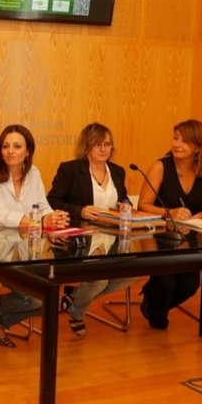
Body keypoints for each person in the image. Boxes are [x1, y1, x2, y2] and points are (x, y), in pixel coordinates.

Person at [0, 124, 69, 347]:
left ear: (27, 151)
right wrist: (38, 221)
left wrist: (52, 216)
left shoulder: (34, 173)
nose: (10, 151)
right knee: (37, 296)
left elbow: (43, 205)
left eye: (17, 146)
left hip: (25, 248)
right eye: (5, 146)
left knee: (48, 295)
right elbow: (1, 216)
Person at [46, 122, 138, 337]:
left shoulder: (117, 171)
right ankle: (77, 311)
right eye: (97, 144)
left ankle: (76, 297)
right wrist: (80, 211)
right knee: (99, 278)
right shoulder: (70, 169)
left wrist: (125, 205)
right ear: (87, 147)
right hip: (77, 239)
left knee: (134, 273)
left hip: (111, 237)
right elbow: (51, 200)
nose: (103, 149)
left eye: (107, 144)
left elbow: (123, 197)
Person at [137, 119, 202, 329]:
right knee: (166, 283)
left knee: (190, 285)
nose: (177, 144)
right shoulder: (160, 167)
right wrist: (170, 213)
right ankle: (156, 313)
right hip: (159, 239)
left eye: (184, 141)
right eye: (176, 138)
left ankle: (153, 302)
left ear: (198, 146)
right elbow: (143, 205)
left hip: (191, 239)